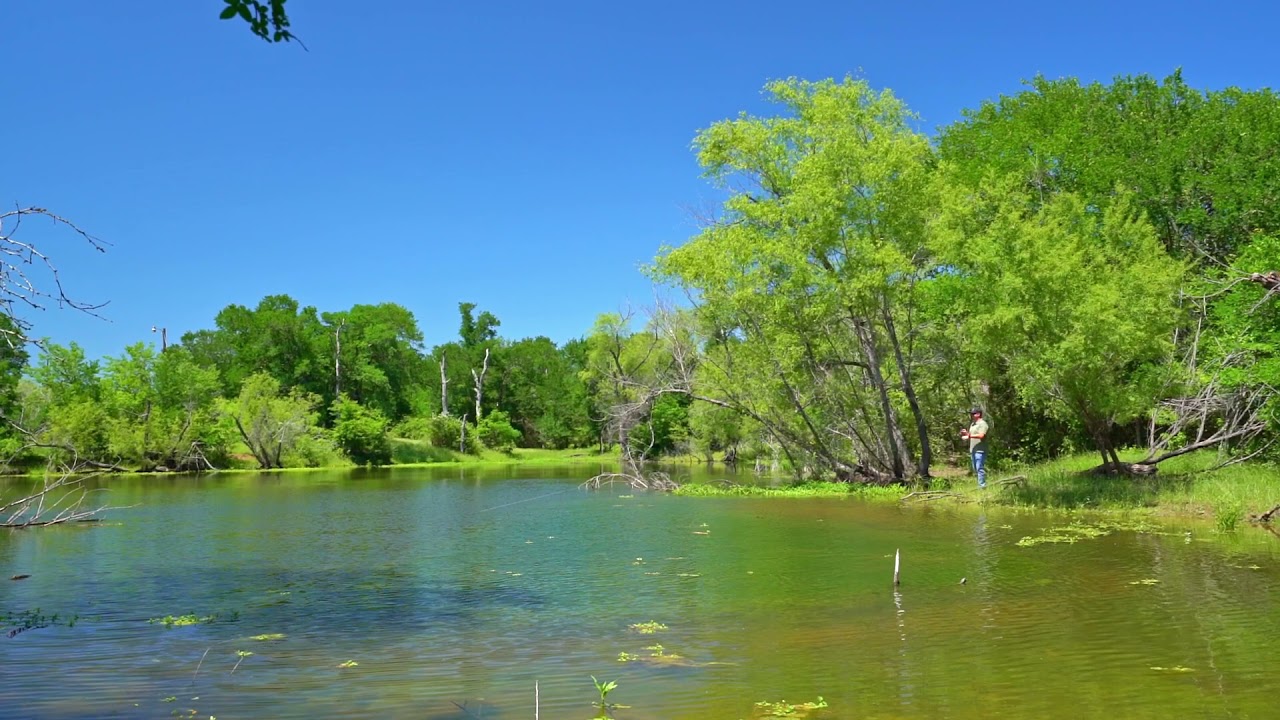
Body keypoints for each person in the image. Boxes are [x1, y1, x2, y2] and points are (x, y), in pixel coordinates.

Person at [960, 408, 989, 489]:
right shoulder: (973, 424)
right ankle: (980, 485)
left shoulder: (982, 424)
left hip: (980, 450)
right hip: (973, 450)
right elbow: (972, 435)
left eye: (973, 413)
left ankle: (982, 487)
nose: (971, 415)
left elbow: (981, 435)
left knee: (980, 468)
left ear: (978, 414)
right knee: (975, 468)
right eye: (971, 414)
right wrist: (966, 433)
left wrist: (969, 436)